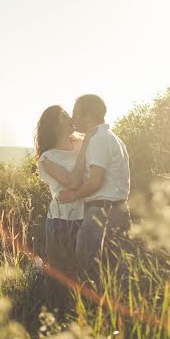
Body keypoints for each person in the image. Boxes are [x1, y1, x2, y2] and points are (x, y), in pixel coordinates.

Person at [58, 94, 130, 277]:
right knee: (112, 275)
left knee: (87, 274)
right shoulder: (110, 138)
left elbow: (96, 181)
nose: (72, 118)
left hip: (102, 213)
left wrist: (73, 196)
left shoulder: (99, 139)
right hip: (117, 211)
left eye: (75, 113)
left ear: (88, 115)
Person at [35, 105, 89, 275]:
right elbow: (70, 182)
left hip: (89, 215)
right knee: (63, 274)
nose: (71, 118)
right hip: (62, 221)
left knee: (87, 272)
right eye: (65, 116)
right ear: (55, 126)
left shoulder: (83, 143)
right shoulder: (48, 158)